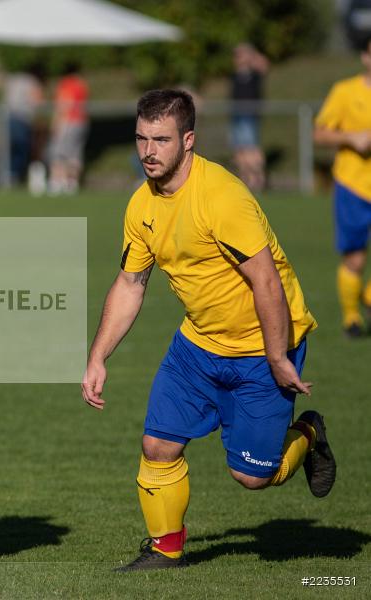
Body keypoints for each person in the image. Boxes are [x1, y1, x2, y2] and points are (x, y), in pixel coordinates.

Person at [81, 90, 336, 571]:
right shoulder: (141, 205)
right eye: (141, 139)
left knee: (253, 477)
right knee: (157, 445)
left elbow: (265, 280)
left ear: (189, 140)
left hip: (262, 348)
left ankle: (308, 433)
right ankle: (166, 549)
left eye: (161, 139)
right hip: (197, 346)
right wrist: (98, 357)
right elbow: (131, 283)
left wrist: (278, 356)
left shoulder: (221, 197)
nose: (148, 151)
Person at [313, 35, 371, 339]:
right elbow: (319, 134)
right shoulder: (345, 91)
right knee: (355, 258)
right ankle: (352, 319)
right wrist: (351, 138)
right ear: (365, 57)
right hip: (353, 185)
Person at [230, 43, 269, 191]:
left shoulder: (255, 74)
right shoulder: (235, 75)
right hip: (236, 115)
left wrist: (251, 53)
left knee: (251, 148)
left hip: (250, 116)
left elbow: (264, 64)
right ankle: (245, 178)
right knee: (239, 150)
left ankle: (258, 179)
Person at [47, 63, 88, 195]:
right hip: (81, 122)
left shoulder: (67, 84)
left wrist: (56, 123)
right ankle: (72, 182)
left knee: (59, 152)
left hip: (68, 122)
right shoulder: (81, 84)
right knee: (75, 154)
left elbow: (63, 105)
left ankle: (57, 181)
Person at [3, 66, 45, 186]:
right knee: (21, 148)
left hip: (8, 117)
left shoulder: (14, 79)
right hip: (21, 118)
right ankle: (14, 176)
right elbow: (37, 101)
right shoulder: (32, 82)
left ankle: (9, 175)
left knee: (9, 149)